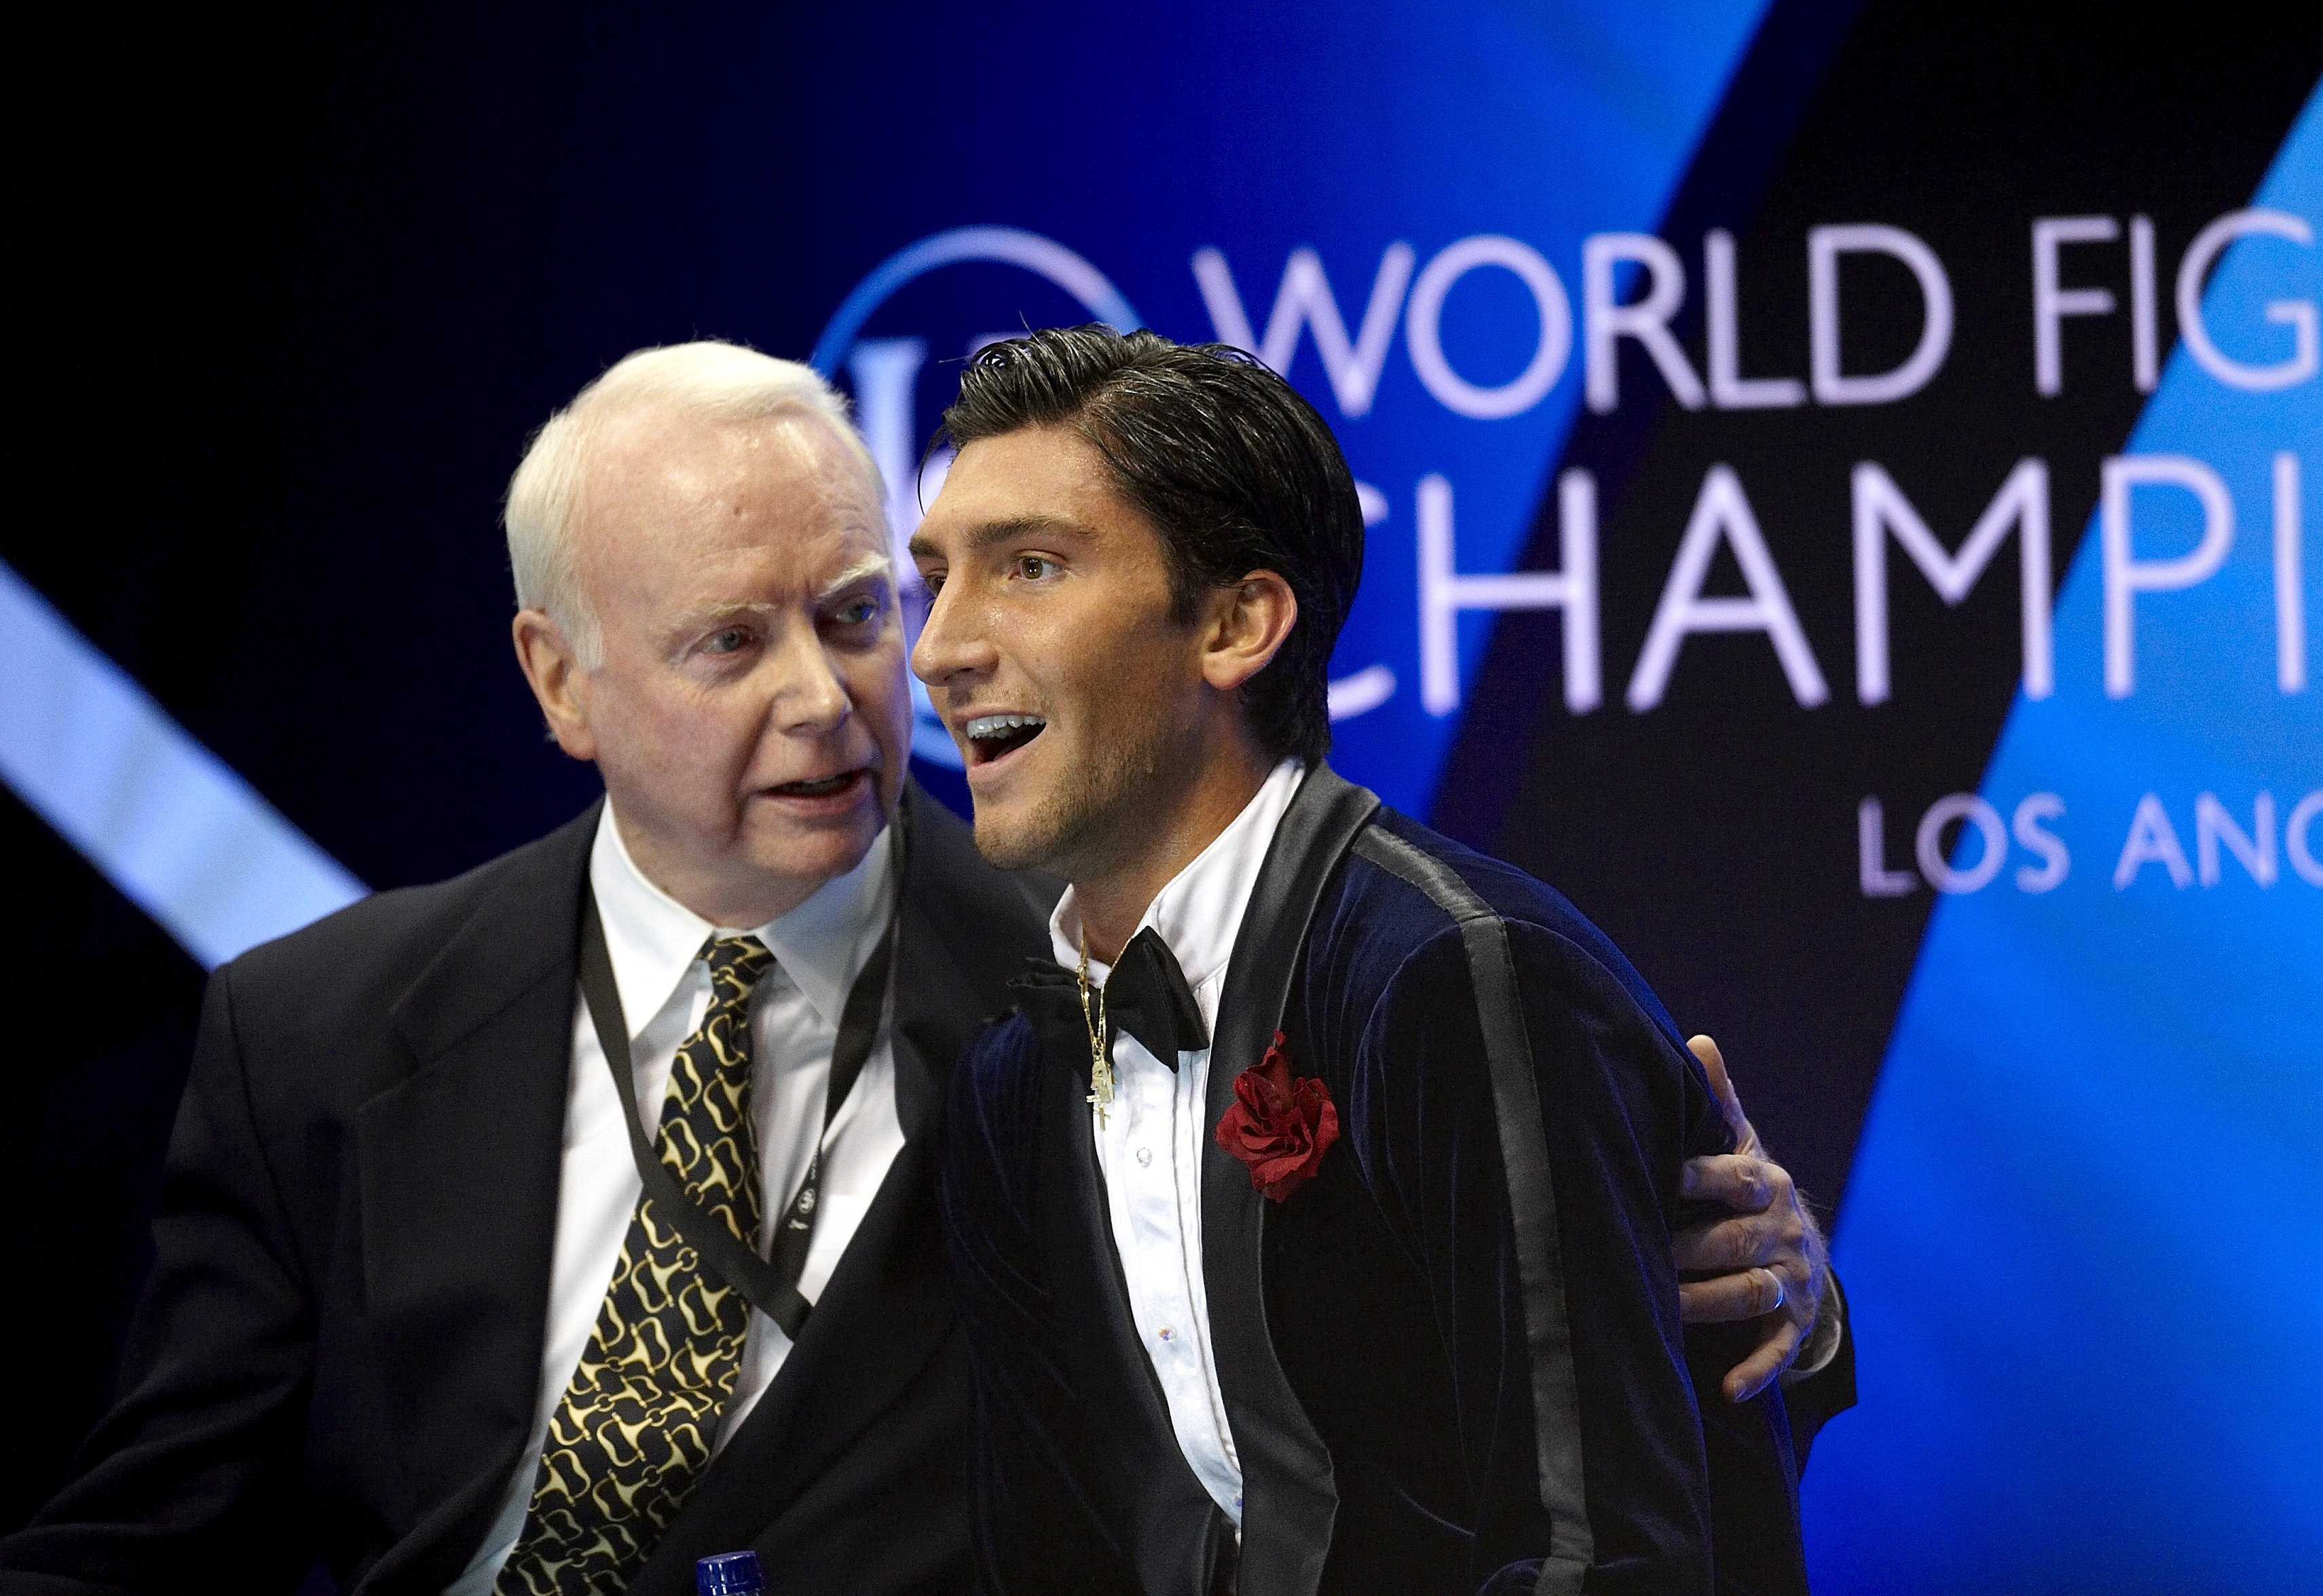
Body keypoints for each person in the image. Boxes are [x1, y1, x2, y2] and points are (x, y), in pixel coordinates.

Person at [3, 340, 1829, 1596]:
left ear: (1232, 618)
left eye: (859, 608)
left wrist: (1761, 1296)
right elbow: (147, 1538)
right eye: (731, 638)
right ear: (558, 679)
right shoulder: (312, 1029)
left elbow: (1564, 1455)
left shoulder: (1127, 984)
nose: (854, 683)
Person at [914, 326, 1842, 1596]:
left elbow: (1600, 1554)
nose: (939, 648)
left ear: (1238, 623)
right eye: (936, 579)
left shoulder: (1458, 975)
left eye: (1029, 566)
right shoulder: (1012, 1083)